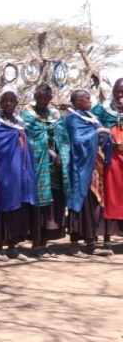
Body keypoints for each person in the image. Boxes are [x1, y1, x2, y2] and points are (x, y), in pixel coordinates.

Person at [21, 84, 71, 258]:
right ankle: (35, 244)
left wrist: (59, 155)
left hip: (54, 170)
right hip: (35, 166)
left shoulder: (56, 116)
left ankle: (45, 243)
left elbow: (64, 139)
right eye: (39, 97)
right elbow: (27, 139)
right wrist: (49, 151)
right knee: (37, 206)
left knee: (51, 205)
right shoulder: (26, 115)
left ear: (50, 98)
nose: (42, 100)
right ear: (34, 95)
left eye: (46, 98)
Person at [65, 89, 115, 257]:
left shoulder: (90, 117)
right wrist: (98, 132)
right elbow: (78, 141)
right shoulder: (73, 118)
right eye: (87, 98)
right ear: (78, 101)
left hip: (96, 167)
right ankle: (74, 245)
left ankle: (91, 244)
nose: (90, 100)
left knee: (94, 205)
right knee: (81, 204)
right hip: (82, 169)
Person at [0, 88, 37, 261]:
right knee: (4, 206)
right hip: (4, 171)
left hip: (20, 171)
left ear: (17, 103)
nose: (8, 103)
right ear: (0, 102)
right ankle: (0, 248)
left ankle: (13, 247)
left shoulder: (20, 121)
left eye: (12, 100)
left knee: (19, 209)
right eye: (5, 100)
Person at [91, 78, 123, 254]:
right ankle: (107, 241)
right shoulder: (102, 109)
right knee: (110, 196)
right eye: (118, 92)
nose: (121, 96)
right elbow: (89, 124)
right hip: (111, 159)